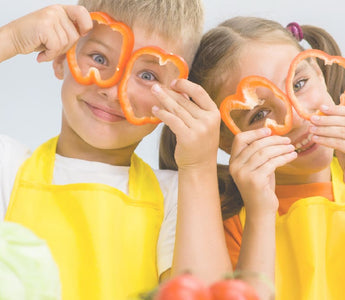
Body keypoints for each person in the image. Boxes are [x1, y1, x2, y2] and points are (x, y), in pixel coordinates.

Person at [0, 1, 232, 299]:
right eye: (99, 57)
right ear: (61, 57)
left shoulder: (177, 197)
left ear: (179, 96)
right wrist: (9, 39)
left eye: (148, 76)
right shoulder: (8, 167)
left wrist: (199, 167)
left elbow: (208, 294)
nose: (113, 90)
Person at [159, 16, 345, 300]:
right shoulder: (230, 224)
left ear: (319, 71)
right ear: (223, 141)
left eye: (299, 84)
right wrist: (260, 214)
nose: (295, 117)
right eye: (259, 114)